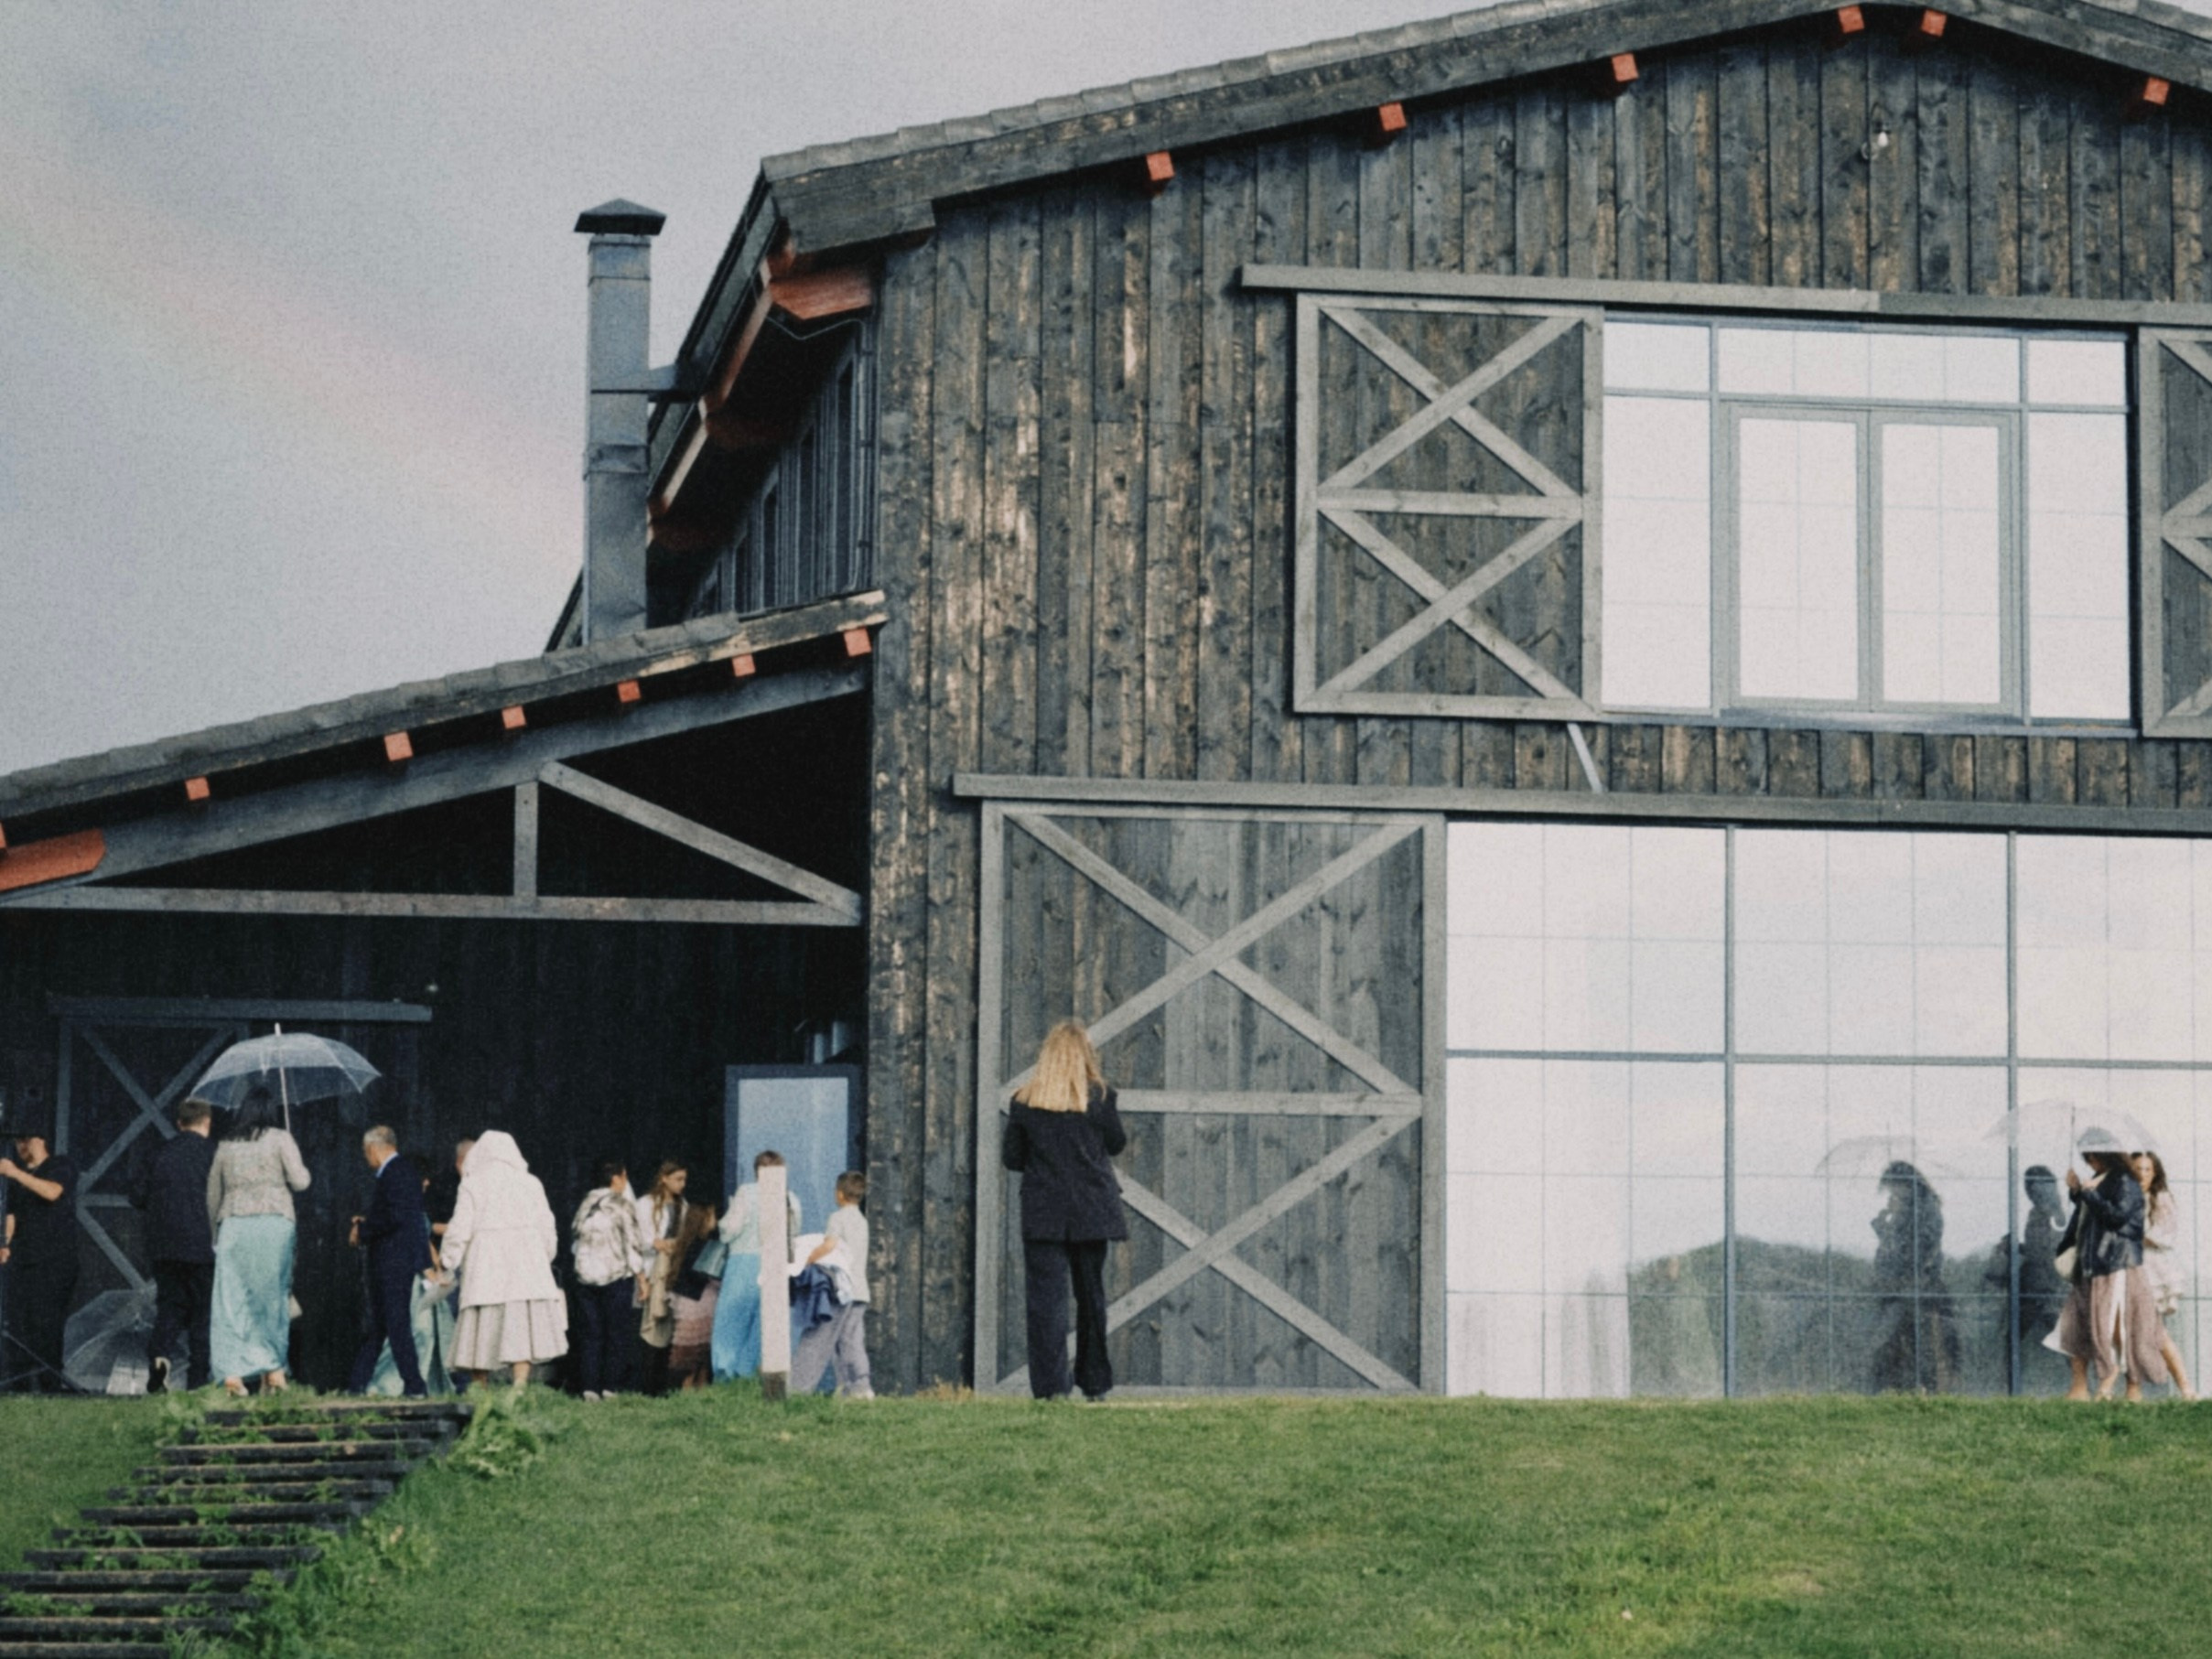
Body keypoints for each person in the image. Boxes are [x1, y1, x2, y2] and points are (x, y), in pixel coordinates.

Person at [1002, 1019, 1128, 1402]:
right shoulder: (1101, 1097)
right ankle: (1095, 1383)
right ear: (1085, 1055)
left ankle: (1051, 1387)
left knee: (1046, 1304)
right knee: (1091, 1298)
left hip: (1044, 1213)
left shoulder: (1025, 1101)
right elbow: (1117, 1144)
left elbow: (1012, 1158)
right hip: (1092, 1209)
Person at [439, 1131, 566, 1389]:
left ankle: (480, 1389)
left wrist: (448, 1259)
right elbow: (547, 1225)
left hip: (486, 1267)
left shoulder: (473, 1184)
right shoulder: (531, 1183)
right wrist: (544, 1255)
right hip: (526, 1267)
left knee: (480, 1330)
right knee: (521, 1329)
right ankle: (519, 1386)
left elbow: (460, 1228)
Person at [205, 1085, 310, 1396]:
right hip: (274, 1223)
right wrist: (296, 1163)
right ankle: (273, 1370)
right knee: (271, 1298)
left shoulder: (226, 1145)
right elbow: (301, 1182)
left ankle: (232, 1376)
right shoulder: (281, 1138)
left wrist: (215, 1233)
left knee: (231, 1301)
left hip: (235, 1224)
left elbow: (213, 1194)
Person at [2055, 1144, 2169, 1402]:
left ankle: (2120, 1383)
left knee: (2119, 1327)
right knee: (2078, 1325)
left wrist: (2088, 1193)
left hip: (2115, 1262)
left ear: (2103, 1156)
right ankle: (2086, 1387)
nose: (2090, 1163)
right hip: (2093, 1263)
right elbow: (2089, 1214)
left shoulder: (2125, 1181)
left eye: (2092, 1158)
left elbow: (2116, 1217)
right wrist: (2077, 1190)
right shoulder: (2100, 1179)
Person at [130, 1097, 218, 1393]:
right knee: (204, 1313)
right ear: (207, 1122)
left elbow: (137, 1196)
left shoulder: (158, 1153)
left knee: (170, 1307)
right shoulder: (214, 1154)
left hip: (164, 1247)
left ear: (179, 1124)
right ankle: (197, 1379)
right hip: (204, 1246)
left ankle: (160, 1357)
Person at [346, 1126, 431, 1398]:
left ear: (373, 1149)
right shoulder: (403, 1172)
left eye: (365, 1152)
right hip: (396, 1259)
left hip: (392, 1261)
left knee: (395, 1324)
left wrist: (363, 1230)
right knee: (382, 1326)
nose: (366, 1158)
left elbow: (394, 1217)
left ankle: (415, 1385)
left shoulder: (395, 1172)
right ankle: (356, 1385)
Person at [0, 1120, 80, 1394]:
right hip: (25, 1259)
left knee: (47, 1325)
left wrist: (14, 1173)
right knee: (20, 1324)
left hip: (55, 1259)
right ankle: (19, 1384)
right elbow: (12, 1215)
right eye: (18, 1141)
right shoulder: (17, 1177)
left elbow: (52, 1192)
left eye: (26, 1139)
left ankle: (49, 1384)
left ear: (40, 1139)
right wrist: (4, 1244)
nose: (21, 1146)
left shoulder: (61, 1165)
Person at [1869, 1161, 1959, 1395]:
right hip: (1901, 1289)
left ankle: (1927, 1389)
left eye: (1894, 1186)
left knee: (1917, 1345)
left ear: (1906, 1184)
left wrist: (1890, 1226)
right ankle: (1900, 1388)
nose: (1892, 1193)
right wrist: (1886, 1224)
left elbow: (1914, 1251)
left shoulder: (1925, 1210)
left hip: (1918, 1289)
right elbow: (1895, 1251)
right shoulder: (1912, 1210)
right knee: (1899, 1343)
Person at [711, 1150, 801, 1383]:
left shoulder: (747, 1193)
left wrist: (719, 1226)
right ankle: (749, 1373)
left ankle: (726, 1373)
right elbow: (794, 1233)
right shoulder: (790, 1198)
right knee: (762, 1325)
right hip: (775, 1265)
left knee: (731, 1320)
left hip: (743, 1263)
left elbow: (731, 1228)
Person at [792, 1170, 874, 1400]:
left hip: (841, 1289)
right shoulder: (862, 1221)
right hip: (860, 1291)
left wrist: (807, 1259)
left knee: (819, 1337)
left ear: (839, 1194)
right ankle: (859, 1387)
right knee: (852, 1340)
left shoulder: (837, 1218)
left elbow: (829, 1245)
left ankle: (798, 1388)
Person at [572, 1160, 648, 1401]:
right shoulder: (622, 1205)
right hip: (615, 1275)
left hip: (585, 1276)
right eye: (624, 1176)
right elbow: (633, 1243)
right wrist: (642, 1278)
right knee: (616, 1332)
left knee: (591, 1333)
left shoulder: (586, 1203)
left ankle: (589, 1387)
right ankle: (610, 1386)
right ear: (616, 1178)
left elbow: (575, 1232)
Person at [2132, 1150, 2196, 1402]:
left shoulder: (2160, 1198)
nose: (2142, 1175)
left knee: (2155, 1332)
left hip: (2151, 1271)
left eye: (2147, 1170)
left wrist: (2131, 1233)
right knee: (2137, 1331)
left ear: (2155, 1173)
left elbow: (2163, 1235)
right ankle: (2135, 1389)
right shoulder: (2127, 1197)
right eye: (2137, 1169)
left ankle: (2185, 1387)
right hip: (2130, 1268)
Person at [633, 1161, 690, 1396]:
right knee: (649, 1322)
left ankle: (661, 1384)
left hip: (671, 1270)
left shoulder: (682, 1206)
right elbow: (637, 1236)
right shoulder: (646, 1204)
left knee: (668, 1324)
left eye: (684, 1180)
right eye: (678, 1179)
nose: (682, 1184)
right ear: (664, 1178)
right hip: (651, 1268)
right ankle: (643, 1383)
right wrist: (654, 1243)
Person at [664, 1201, 722, 1391]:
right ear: (703, 1219)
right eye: (712, 1215)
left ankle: (689, 1393)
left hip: (690, 1302)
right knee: (698, 1357)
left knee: (693, 1358)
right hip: (700, 1303)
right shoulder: (703, 1245)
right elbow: (702, 1273)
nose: (715, 1220)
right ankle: (694, 1393)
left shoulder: (686, 1244)